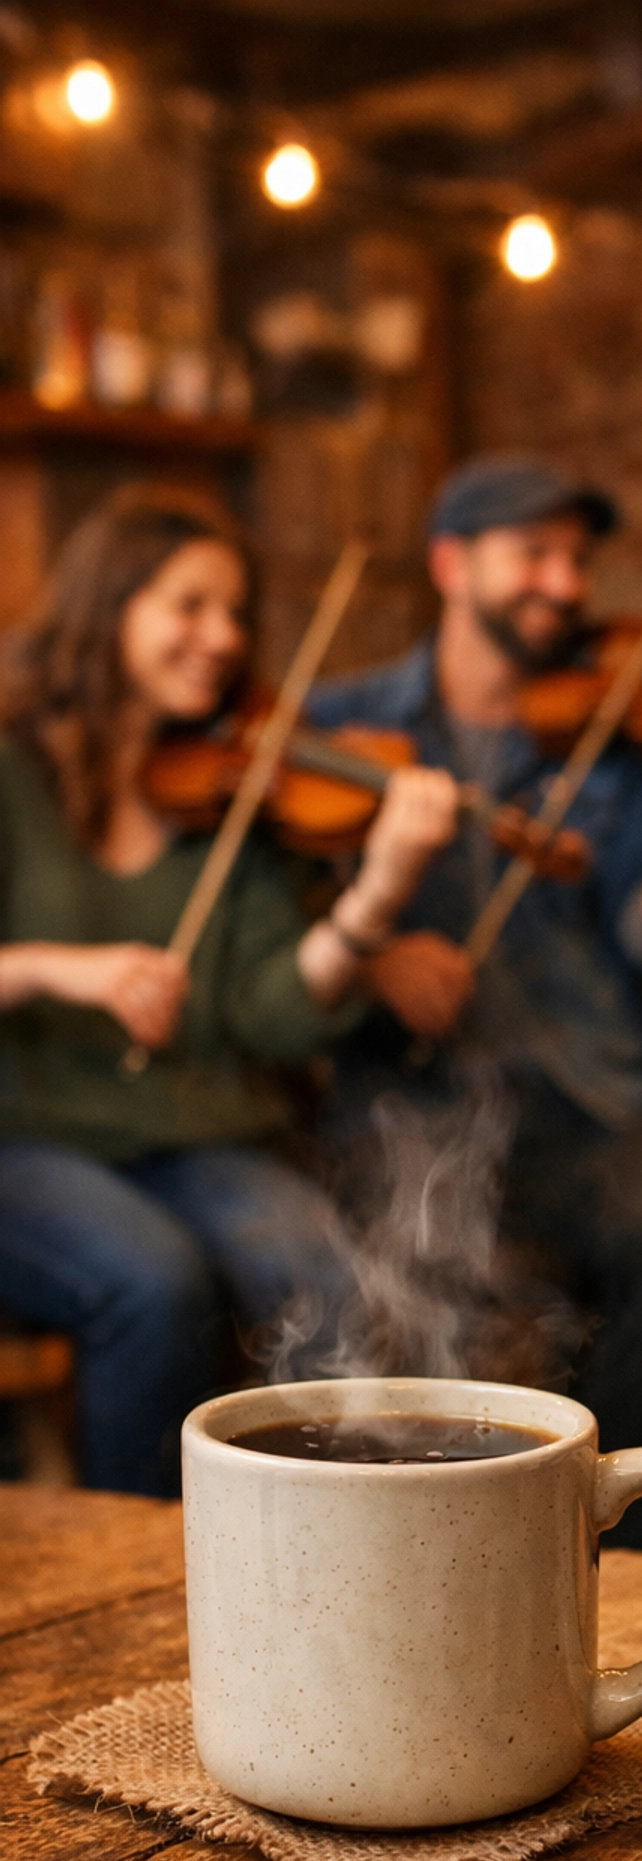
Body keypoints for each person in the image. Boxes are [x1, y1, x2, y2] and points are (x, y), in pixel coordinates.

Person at [307, 456, 642, 1489]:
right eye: (534, 554)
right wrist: (372, 952)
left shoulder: (618, 743)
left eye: (576, 560)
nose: (568, 586)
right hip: (410, 1090)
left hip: (596, 1095)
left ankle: (611, 1543)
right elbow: (269, 927)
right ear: (452, 564)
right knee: (384, 1258)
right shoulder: (343, 725)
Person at [0, 485, 461, 1496]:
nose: (222, 637)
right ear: (109, 602)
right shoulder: (11, 771)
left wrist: (376, 895)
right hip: (28, 1140)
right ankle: (137, 1567)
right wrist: (52, 967)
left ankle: (329, 1552)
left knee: (332, 1278)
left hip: (197, 1135)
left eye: (237, 612)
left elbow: (273, 1008)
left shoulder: (239, 790)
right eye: (189, 604)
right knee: (151, 1280)